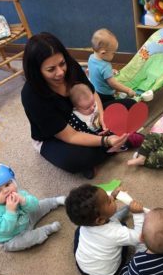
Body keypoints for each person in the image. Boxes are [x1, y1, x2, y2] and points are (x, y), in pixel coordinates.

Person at [21, 32, 127, 179]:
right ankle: (110, 144)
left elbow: (92, 92)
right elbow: (70, 136)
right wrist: (106, 140)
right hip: (55, 136)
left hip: (86, 114)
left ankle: (107, 145)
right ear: (37, 71)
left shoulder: (70, 66)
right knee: (78, 159)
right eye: (51, 69)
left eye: (62, 64)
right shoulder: (31, 95)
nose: (60, 73)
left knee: (128, 105)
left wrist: (102, 117)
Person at [0, 164, 65, 252]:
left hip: (26, 219)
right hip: (11, 237)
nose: (6, 191)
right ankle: (47, 230)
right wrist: (10, 211)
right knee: (28, 240)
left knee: (39, 205)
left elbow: (34, 205)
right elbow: (5, 229)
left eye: (7, 184)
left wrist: (24, 201)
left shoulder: (19, 193)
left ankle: (55, 201)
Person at [65, 184, 145, 275]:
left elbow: (98, 201)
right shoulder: (116, 232)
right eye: (109, 201)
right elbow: (139, 237)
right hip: (107, 274)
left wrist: (113, 195)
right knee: (123, 227)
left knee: (79, 230)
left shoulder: (85, 223)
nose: (111, 197)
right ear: (100, 220)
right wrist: (138, 215)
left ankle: (113, 216)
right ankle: (117, 218)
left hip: (82, 266)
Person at [68, 82, 144, 149]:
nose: (92, 108)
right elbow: (84, 136)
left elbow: (102, 113)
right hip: (97, 137)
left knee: (126, 109)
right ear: (75, 108)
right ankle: (128, 140)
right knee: (119, 139)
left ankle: (128, 135)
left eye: (93, 104)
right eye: (87, 108)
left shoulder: (90, 103)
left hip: (106, 126)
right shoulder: (78, 119)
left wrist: (107, 123)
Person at [88, 28, 136, 109]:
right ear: (103, 52)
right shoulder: (105, 66)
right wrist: (128, 90)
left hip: (94, 92)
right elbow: (114, 84)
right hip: (105, 96)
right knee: (131, 103)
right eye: (113, 53)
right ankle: (103, 108)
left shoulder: (91, 58)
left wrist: (110, 71)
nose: (114, 55)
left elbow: (97, 71)